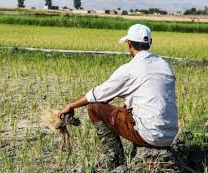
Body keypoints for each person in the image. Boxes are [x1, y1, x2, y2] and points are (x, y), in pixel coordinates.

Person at [57, 24, 179, 172]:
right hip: (170, 135)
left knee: (94, 107)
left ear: (129, 43)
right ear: (150, 43)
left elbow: (98, 94)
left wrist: (71, 106)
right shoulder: (165, 65)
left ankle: (114, 156)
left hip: (149, 135)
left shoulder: (129, 69)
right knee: (128, 106)